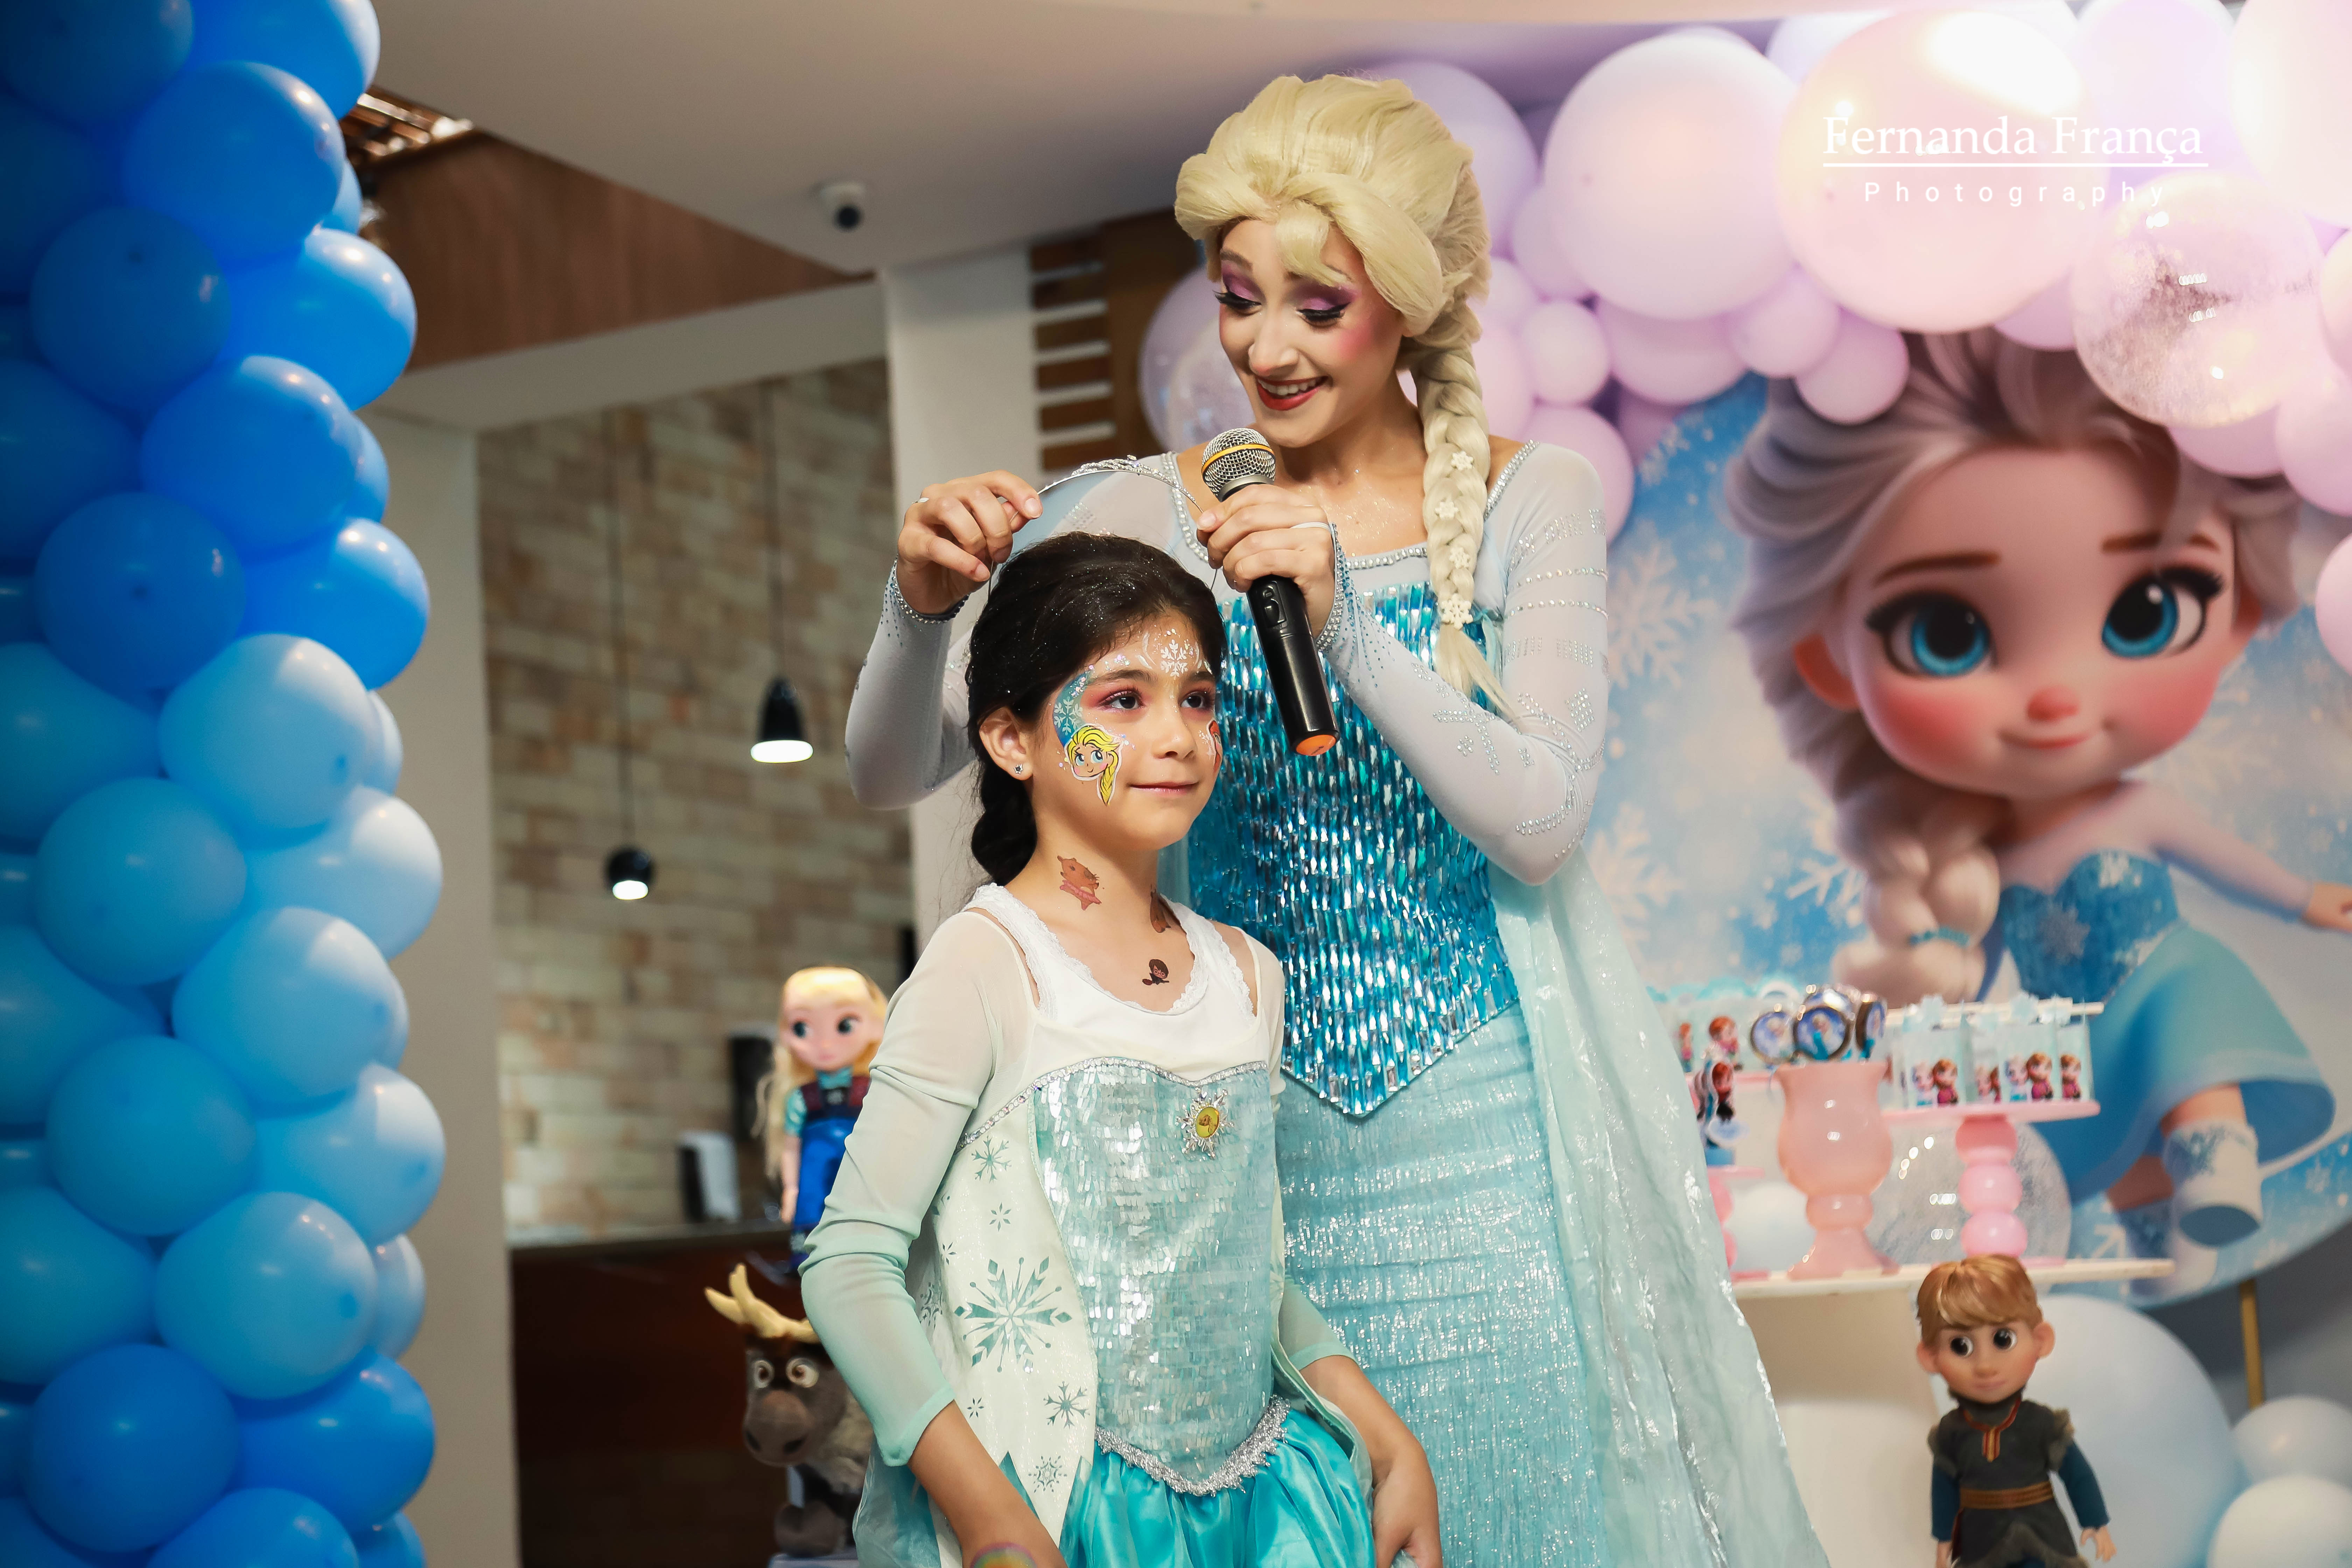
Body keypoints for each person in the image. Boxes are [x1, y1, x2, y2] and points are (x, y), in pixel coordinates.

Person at [845, 72, 1821, 1568]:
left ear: (1408, 312)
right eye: (1237, 298)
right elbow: (891, 768)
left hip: (1490, 1145)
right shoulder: (1130, 509)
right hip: (1230, 1136)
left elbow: (1541, 819)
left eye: (1317, 304)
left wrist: (1341, 619)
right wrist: (917, 606)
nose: (1263, 346)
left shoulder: (1531, 500)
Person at [804, 533, 1439, 1568]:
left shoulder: (1246, 975)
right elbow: (848, 1265)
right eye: (1123, 700)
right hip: (1059, 1508)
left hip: (1264, 1512)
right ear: (1010, 739)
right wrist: (990, 1516)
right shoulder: (986, 962)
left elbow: (1244, 1266)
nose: (1178, 736)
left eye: (1199, 698)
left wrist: (1384, 1434)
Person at [1723, 330, 2351, 1296]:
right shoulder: (1977, 866)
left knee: (2188, 1034)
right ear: (1829, 658)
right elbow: (1968, 976)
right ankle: (2163, 1237)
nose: (2058, 697)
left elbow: (2227, 865)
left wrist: (2307, 898)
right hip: (2082, 1032)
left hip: (2168, 980)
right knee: (2115, 1122)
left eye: (2147, 609)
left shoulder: (2142, 811)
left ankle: (2217, 1162)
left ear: (2238, 613)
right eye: (1946, 632)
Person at [1914, 1256, 2115, 1568]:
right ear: (1930, 1357)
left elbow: (2078, 1475)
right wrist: (1944, 1540)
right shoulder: (1952, 1432)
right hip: (1981, 1541)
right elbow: (1944, 1491)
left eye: (2003, 1340)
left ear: (2040, 1341)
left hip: (2044, 1534)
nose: (1985, 1366)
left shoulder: (2042, 1423)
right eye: (1960, 1346)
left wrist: (2095, 1522)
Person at [763, 965, 886, 1239]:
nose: (825, 1043)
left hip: (866, 1181)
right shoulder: (801, 1098)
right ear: (785, 1034)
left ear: (876, 1027)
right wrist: (791, 1190)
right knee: (814, 1239)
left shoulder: (872, 1089)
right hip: (814, 1185)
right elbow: (791, 1148)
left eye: (844, 1026)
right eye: (802, 1028)